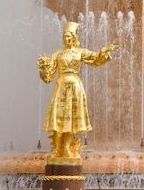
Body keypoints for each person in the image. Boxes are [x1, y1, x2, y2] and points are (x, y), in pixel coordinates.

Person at [38, 21, 118, 159]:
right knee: (58, 117)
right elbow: (48, 77)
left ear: (74, 37)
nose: (66, 39)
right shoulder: (58, 54)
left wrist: (105, 51)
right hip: (61, 86)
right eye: (64, 36)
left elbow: (94, 58)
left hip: (75, 86)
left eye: (69, 36)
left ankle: (67, 148)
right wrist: (44, 67)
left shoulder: (80, 52)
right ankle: (56, 148)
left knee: (71, 118)